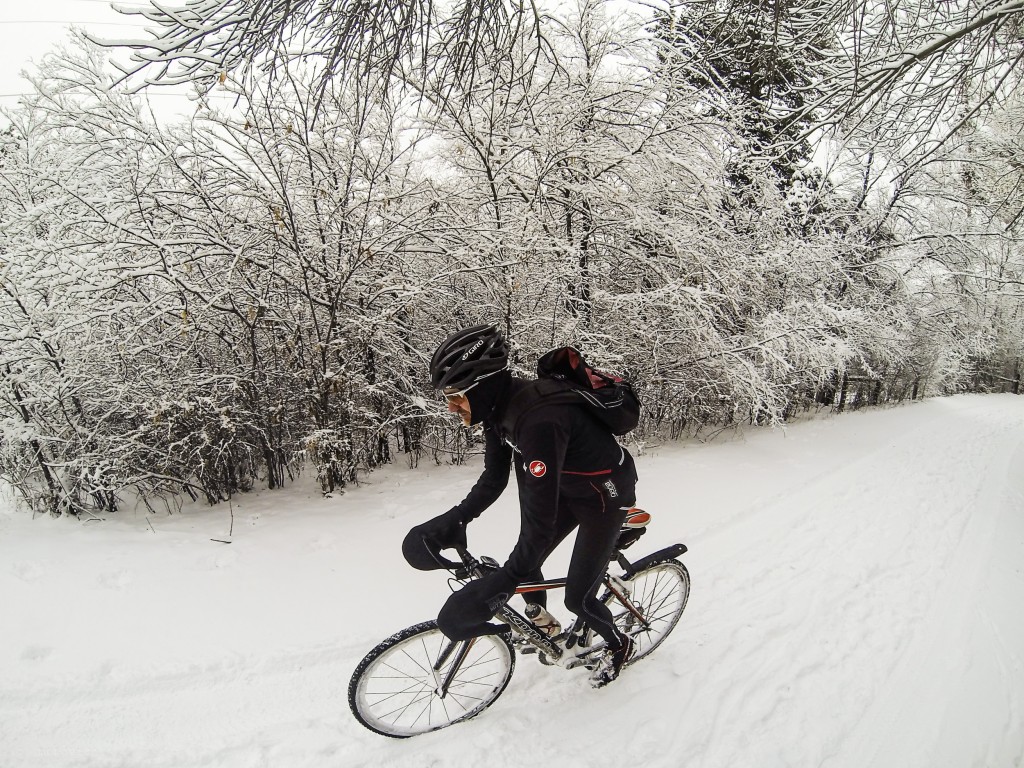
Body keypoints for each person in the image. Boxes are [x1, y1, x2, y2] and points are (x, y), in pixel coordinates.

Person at [402, 323, 640, 686]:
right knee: (529, 559)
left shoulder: (539, 420)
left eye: (457, 396)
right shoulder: (499, 411)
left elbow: (539, 523)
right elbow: (494, 478)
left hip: (603, 497)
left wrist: (503, 582)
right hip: (567, 487)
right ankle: (545, 624)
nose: (451, 407)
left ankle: (620, 644)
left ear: (481, 388)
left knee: (579, 599)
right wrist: (457, 518)